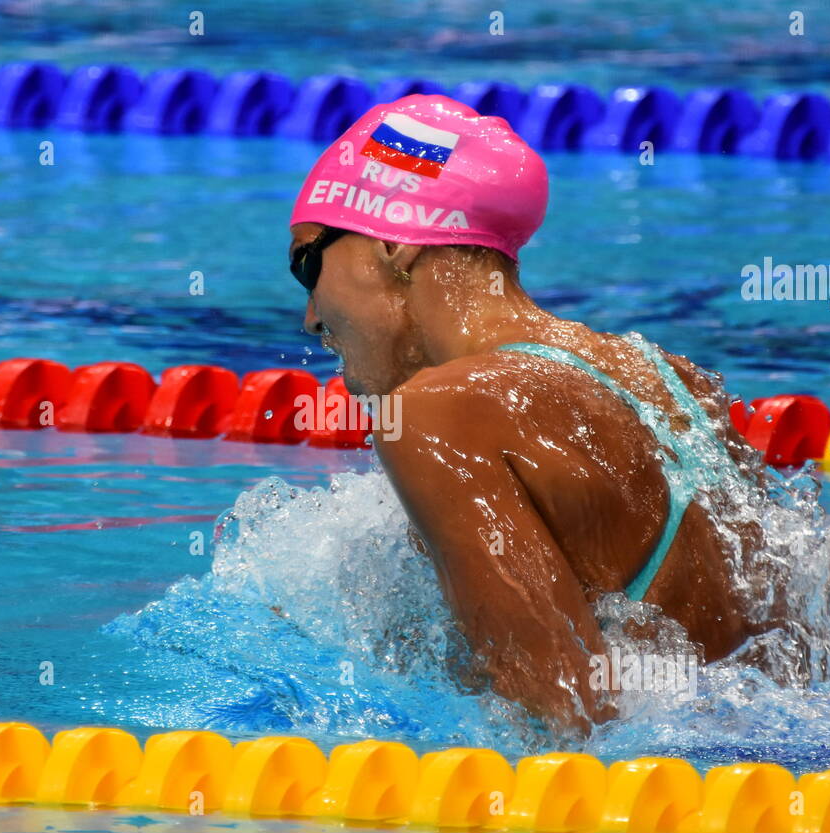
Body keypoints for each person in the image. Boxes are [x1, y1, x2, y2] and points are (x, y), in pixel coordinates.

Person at [288, 95, 787, 733]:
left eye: (308, 264)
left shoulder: (435, 414)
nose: (310, 318)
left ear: (392, 242)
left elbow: (556, 721)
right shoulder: (667, 377)